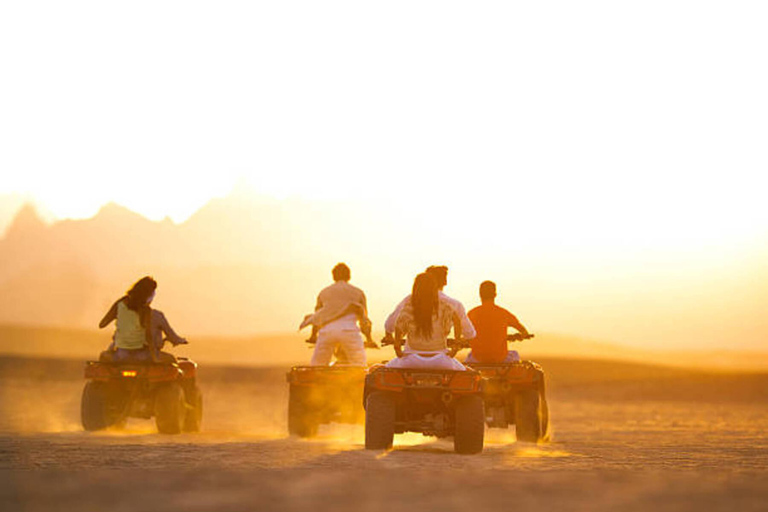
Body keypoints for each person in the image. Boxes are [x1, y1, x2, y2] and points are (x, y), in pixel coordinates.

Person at [385, 272, 466, 371]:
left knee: (378, 369)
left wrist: (398, 350)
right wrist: (455, 347)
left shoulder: (409, 307)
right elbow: (457, 321)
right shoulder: (444, 306)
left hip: (411, 360)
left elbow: (398, 327)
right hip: (441, 360)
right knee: (467, 371)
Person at [384, 265, 476, 341]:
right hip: (441, 355)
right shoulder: (455, 304)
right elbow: (470, 334)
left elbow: (389, 325)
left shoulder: (409, 300)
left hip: (411, 354)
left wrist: (389, 336)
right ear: (445, 282)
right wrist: (459, 340)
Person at [307, 263, 370, 366]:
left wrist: (313, 336)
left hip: (327, 331)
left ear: (333, 276)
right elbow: (364, 319)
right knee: (359, 365)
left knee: (317, 365)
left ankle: (316, 381)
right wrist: (369, 338)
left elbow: (317, 317)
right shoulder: (358, 292)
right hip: (349, 330)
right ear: (349, 276)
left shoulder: (324, 292)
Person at [465, 280, 531, 364]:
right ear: (495, 295)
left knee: (467, 360)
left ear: (480, 295)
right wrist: (520, 336)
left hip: (478, 357)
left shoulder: (472, 314)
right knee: (515, 354)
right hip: (500, 357)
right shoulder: (504, 313)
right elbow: (523, 331)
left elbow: (464, 333)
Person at [98, 276, 159, 363]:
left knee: (104, 355)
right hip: (140, 355)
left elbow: (102, 324)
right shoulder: (146, 310)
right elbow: (148, 336)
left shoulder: (119, 303)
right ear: (149, 294)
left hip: (121, 354)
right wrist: (155, 358)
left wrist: (120, 317)